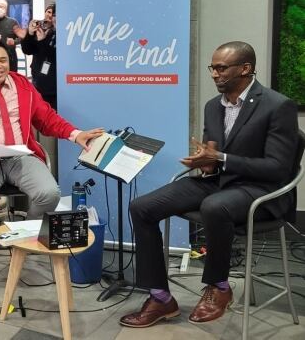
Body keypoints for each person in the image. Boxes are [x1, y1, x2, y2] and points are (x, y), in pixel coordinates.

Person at [120, 41, 299, 328]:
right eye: (212, 68)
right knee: (142, 207)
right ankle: (160, 297)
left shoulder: (278, 106)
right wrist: (204, 163)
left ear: (246, 68)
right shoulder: (213, 106)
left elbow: (277, 168)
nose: (215, 74)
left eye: (221, 68)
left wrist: (222, 158)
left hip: (259, 190)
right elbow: (213, 153)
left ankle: (220, 287)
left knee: (214, 207)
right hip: (217, 182)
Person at [0, 39, 103, 259]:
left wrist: (76, 135)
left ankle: (25, 232)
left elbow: (47, 118)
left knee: (50, 194)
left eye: (3, 60)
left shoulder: (23, 86)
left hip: (21, 157)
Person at [21, 3, 57, 107]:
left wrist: (42, 40)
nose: (50, 16)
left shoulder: (61, 32)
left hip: (53, 82)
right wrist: (30, 34)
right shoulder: (40, 28)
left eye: (54, 14)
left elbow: (52, 56)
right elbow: (27, 50)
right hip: (38, 79)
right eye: (49, 12)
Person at [0, 0, 20, 67]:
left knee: (12, 76)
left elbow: (22, 38)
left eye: (1, 7)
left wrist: (14, 42)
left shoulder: (13, 22)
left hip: (11, 57)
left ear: (5, 9)